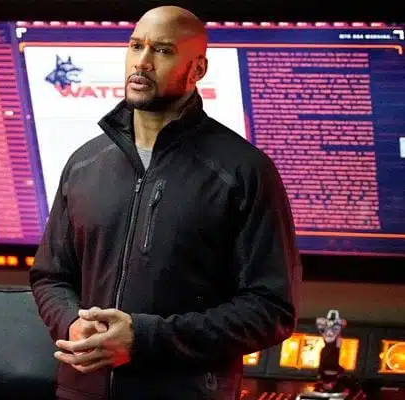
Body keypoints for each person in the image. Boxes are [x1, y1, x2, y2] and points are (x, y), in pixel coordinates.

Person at [30, 5, 302, 399]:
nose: (142, 62)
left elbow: (271, 310)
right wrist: (71, 323)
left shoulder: (243, 172)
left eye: (162, 50)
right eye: (135, 46)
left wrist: (144, 338)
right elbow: (50, 277)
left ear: (198, 69)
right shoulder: (84, 163)